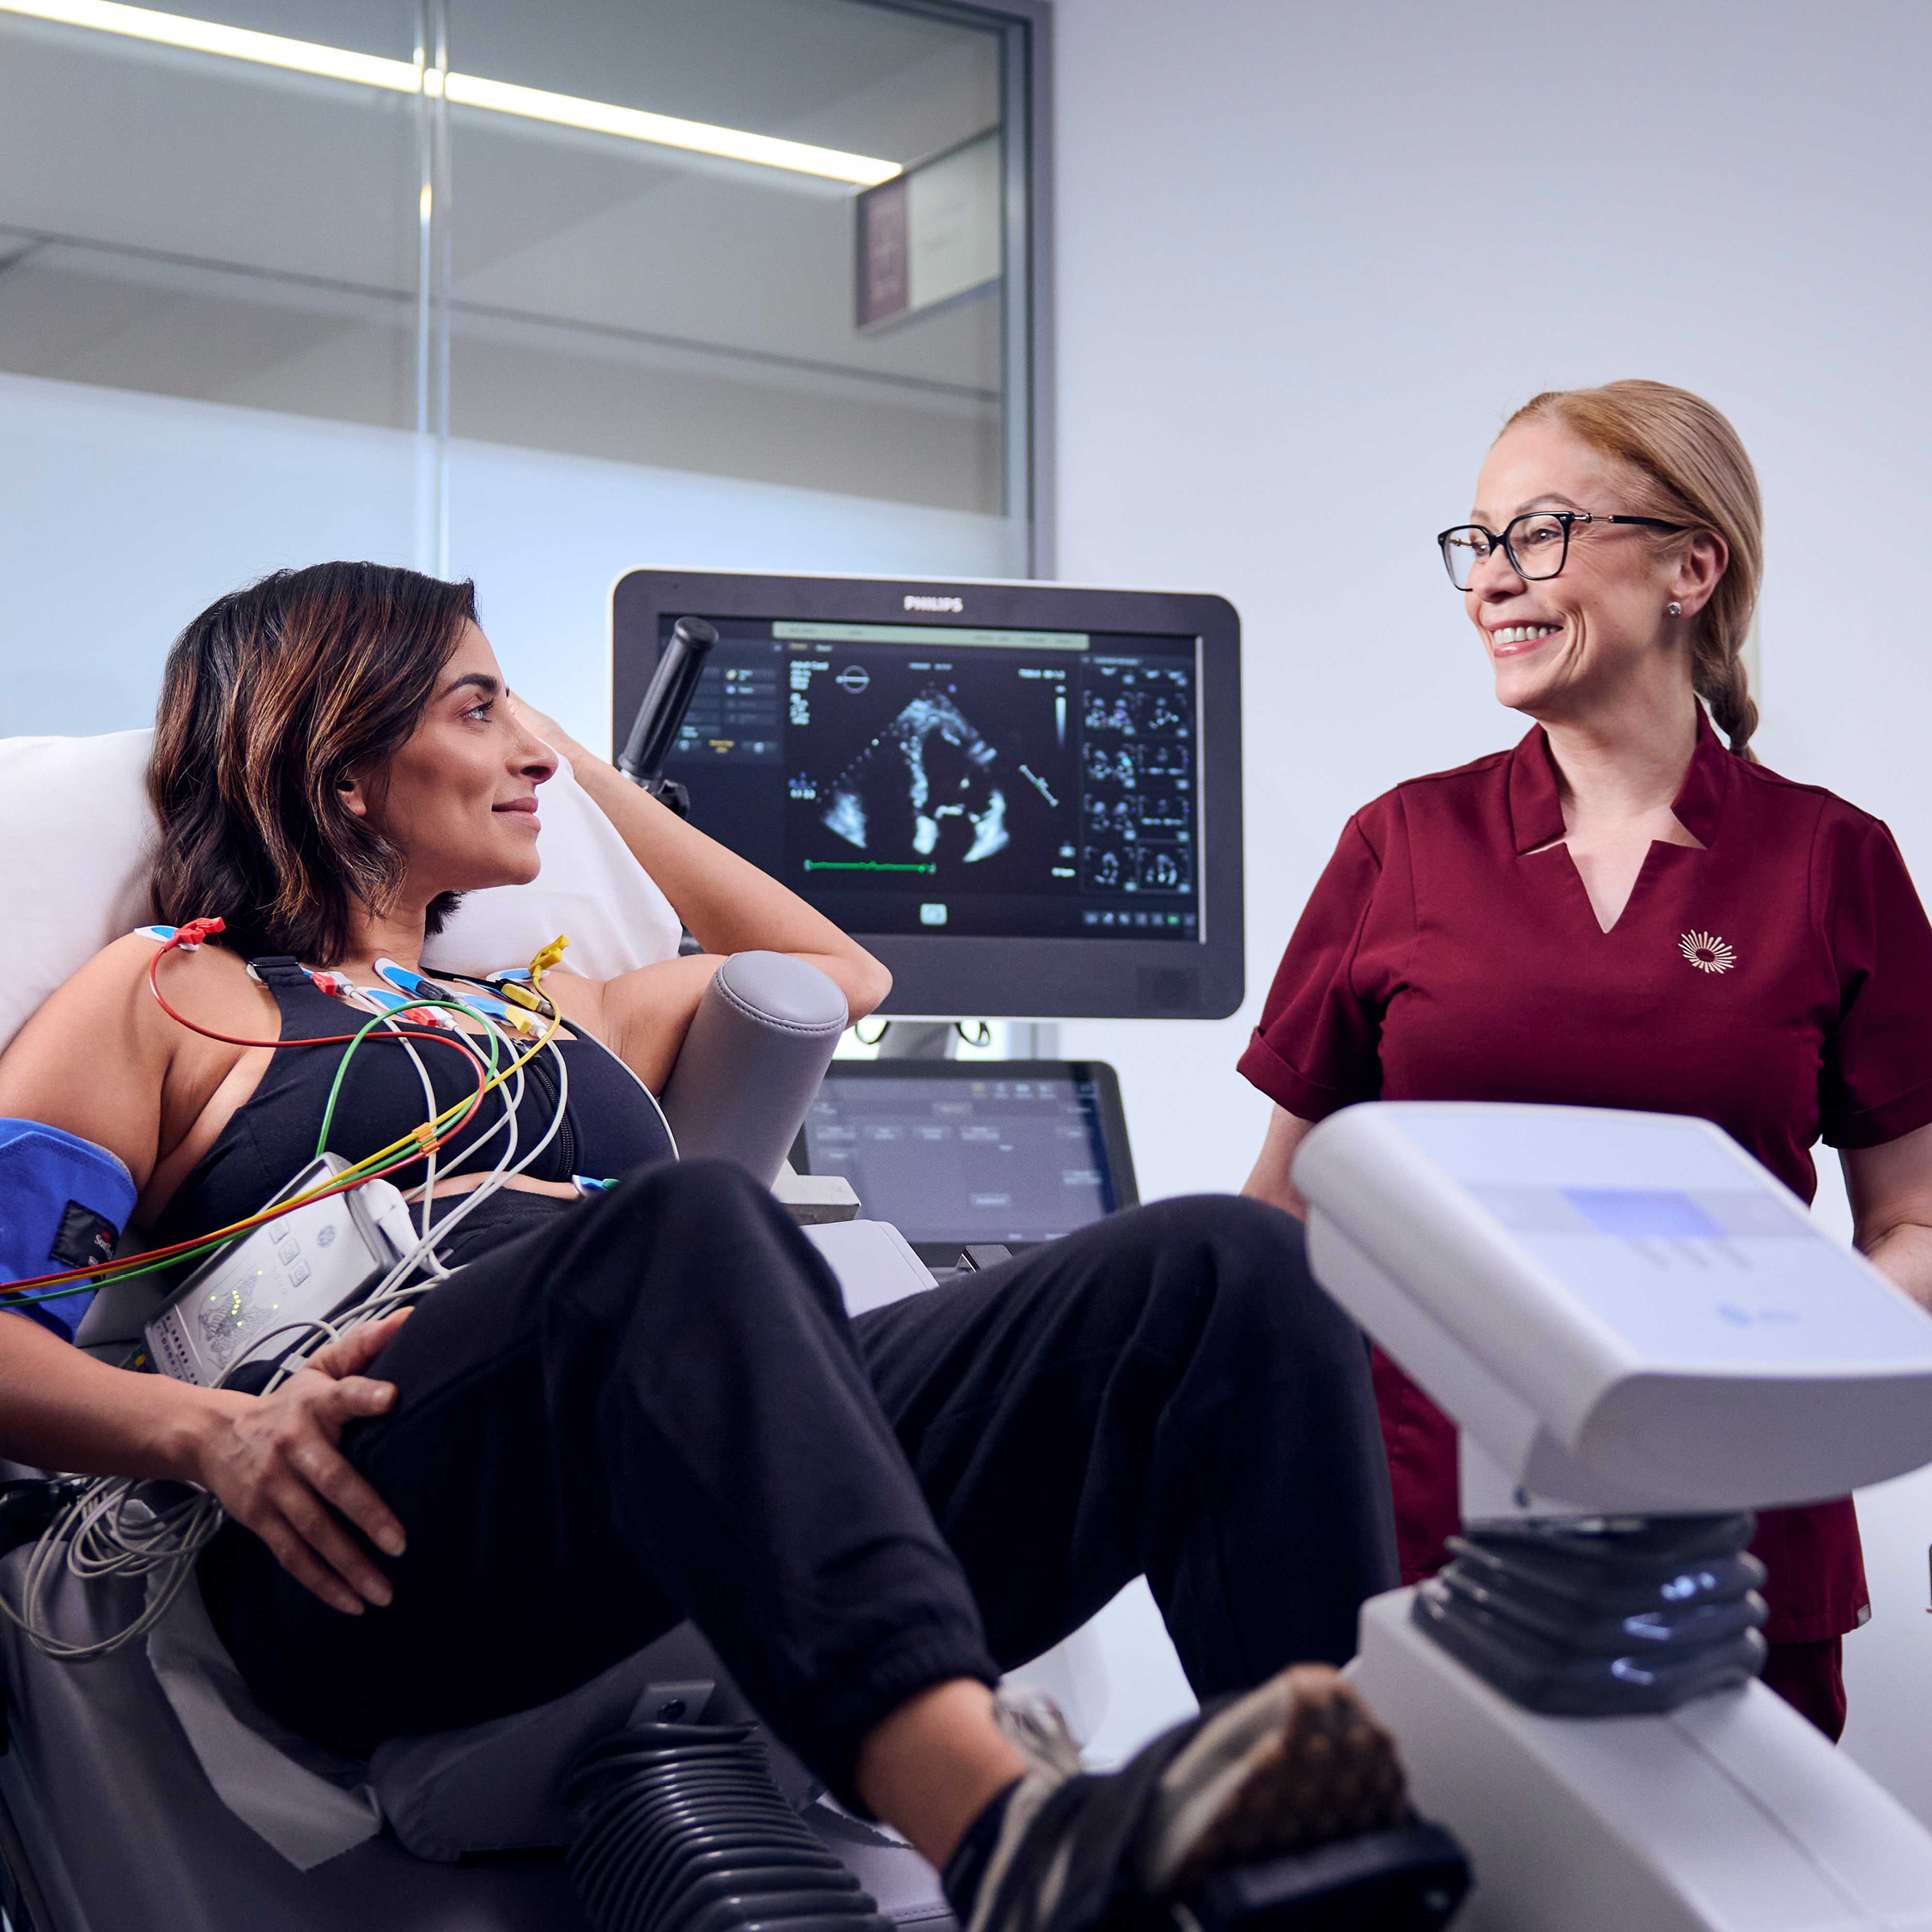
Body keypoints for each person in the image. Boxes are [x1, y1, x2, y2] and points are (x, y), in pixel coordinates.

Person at [0, 562, 1407, 1932]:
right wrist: (213, 1435)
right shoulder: (177, 993)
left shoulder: (563, 1010)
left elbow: (841, 975)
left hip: (670, 1455)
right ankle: (1001, 1828)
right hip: (366, 1515)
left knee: (1225, 1271)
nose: (528, 750)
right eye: (478, 710)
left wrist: (568, 767)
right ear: (344, 769)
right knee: (691, 1219)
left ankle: (1352, 1858)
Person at [1239, 380, 1932, 1742]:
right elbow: (1280, 1217)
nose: (1490, 579)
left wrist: (1793, 1373)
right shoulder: (1399, 845)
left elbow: (1913, 1220)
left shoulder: (1829, 862)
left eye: (1540, 532)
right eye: (1477, 540)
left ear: (1690, 567)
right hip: (1420, 1543)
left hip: (1733, 1543)